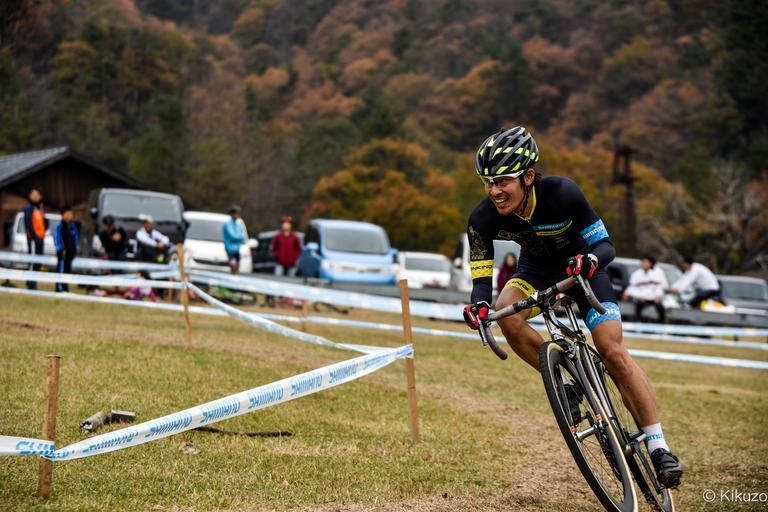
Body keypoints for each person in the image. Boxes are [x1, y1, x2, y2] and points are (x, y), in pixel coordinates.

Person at [462, 126, 682, 488]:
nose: (494, 191)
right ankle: (564, 383)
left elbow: (606, 247)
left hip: (584, 270)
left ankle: (659, 446)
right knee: (506, 312)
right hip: (536, 271)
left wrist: (589, 261)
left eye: (502, 181)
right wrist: (479, 306)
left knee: (612, 350)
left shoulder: (562, 192)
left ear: (528, 177)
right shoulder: (483, 218)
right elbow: (481, 277)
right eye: (487, 182)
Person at [623, 256, 668, 323]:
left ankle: (662, 323)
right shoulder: (636, 274)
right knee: (638, 305)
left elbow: (659, 287)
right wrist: (638, 296)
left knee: (660, 307)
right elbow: (632, 287)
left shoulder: (655, 274)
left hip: (653, 298)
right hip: (641, 298)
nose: (645, 264)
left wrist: (658, 296)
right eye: (644, 262)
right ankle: (638, 322)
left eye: (647, 263)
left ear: (650, 264)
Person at [23, 188, 46, 289]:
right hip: (33, 239)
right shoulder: (28, 207)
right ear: (30, 196)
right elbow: (28, 224)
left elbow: (44, 222)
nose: (36, 197)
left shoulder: (41, 207)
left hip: (41, 238)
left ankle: (34, 280)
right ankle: (31, 282)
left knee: (39, 261)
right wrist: (34, 236)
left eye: (38, 195)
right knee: (32, 260)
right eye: (34, 195)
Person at [53, 205, 79, 293]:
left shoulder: (72, 226)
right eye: (67, 214)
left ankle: (65, 287)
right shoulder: (59, 226)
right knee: (61, 270)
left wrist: (75, 249)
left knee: (67, 270)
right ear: (63, 215)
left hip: (70, 253)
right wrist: (60, 249)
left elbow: (75, 238)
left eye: (71, 214)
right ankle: (59, 288)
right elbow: (56, 238)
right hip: (62, 254)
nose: (70, 216)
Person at [222, 205, 246, 274]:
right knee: (233, 264)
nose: (237, 215)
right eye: (236, 213)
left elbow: (242, 235)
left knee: (238, 264)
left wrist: (239, 237)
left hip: (237, 248)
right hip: (230, 249)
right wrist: (239, 238)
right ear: (231, 214)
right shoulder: (228, 224)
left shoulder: (238, 224)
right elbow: (233, 236)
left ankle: (235, 276)